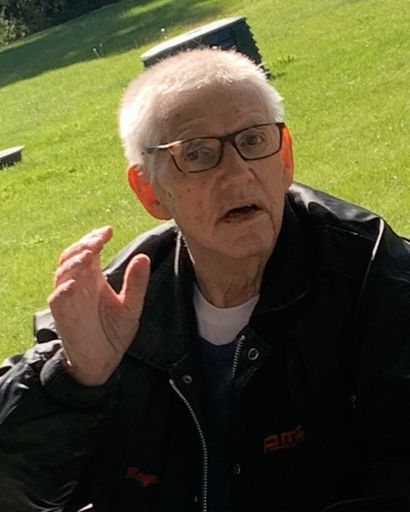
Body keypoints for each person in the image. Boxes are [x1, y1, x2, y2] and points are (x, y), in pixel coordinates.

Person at [0, 47, 410, 512]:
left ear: (285, 157)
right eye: (196, 154)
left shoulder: (375, 276)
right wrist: (74, 380)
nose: (237, 174)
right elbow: (18, 492)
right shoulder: (114, 304)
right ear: (150, 190)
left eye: (253, 140)